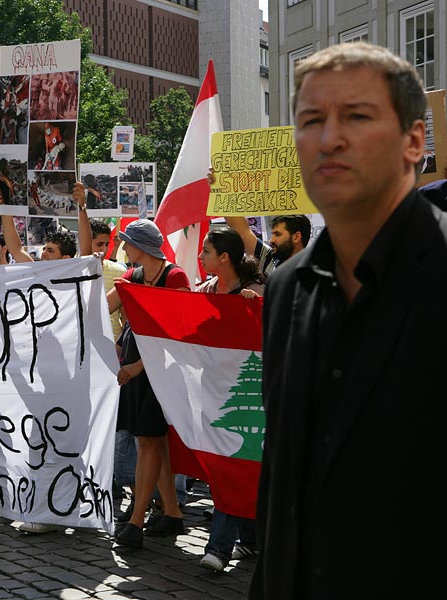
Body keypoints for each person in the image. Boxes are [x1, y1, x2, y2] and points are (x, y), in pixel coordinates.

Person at [251, 42, 446, 599]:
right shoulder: (286, 288)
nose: (329, 139)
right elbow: (282, 479)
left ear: (414, 141)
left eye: (356, 116)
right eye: (311, 120)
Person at [107, 219, 191, 549]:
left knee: (148, 440)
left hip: (162, 370)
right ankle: (172, 513)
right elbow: (105, 307)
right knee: (154, 442)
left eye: (128, 242)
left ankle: (135, 521)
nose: (124, 248)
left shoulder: (176, 277)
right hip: (136, 366)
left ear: (143, 246)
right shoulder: (132, 276)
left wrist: (140, 365)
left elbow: (181, 332)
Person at [193, 227, 262, 572]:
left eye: (206, 251)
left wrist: (255, 308)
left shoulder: (255, 292)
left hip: (247, 400)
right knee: (231, 468)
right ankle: (250, 542)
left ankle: (218, 549)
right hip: (213, 394)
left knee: (232, 468)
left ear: (224, 257)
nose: (200, 257)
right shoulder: (204, 291)